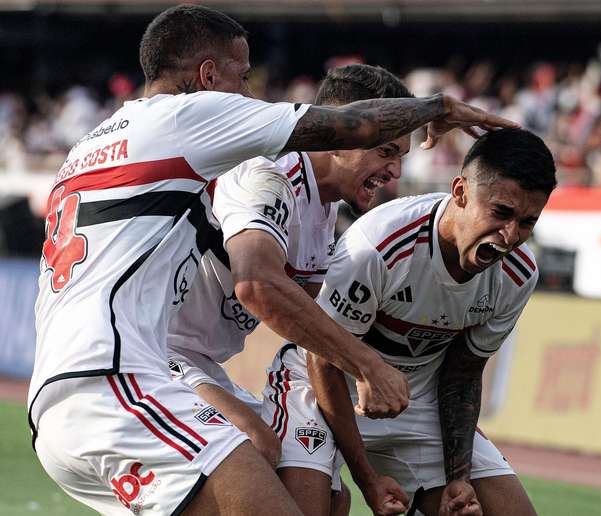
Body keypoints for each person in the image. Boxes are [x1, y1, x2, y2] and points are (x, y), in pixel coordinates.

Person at [28, 4, 518, 515]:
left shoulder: (94, 144)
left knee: (328, 499)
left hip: (78, 388)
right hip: (121, 377)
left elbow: (302, 321)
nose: (247, 95)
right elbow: (349, 130)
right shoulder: (204, 130)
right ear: (207, 75)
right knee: (262, 455)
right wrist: (436, 106)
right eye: (241, 79)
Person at [264, 127, 556, 516]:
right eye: (501, 213)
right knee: (307, 508)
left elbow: (463, 374)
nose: (509, 236)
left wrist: (458, 478)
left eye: (526, 223)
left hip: (419, 402)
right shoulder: (379, 245)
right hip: (318, 388)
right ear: (460, 192)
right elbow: (324, 359)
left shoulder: (518, 273)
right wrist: (366, 479)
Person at [167, 63, 415, 516]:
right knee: (257, 446)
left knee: (332, 499)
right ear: (341, 136)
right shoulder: (268, 173)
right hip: (154, 354)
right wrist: (368, 366)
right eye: (386, 151)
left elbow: (319, 330)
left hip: (199, 362)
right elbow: (257, 286)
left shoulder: (325, 211)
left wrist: (365, 477)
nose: (394, 172)